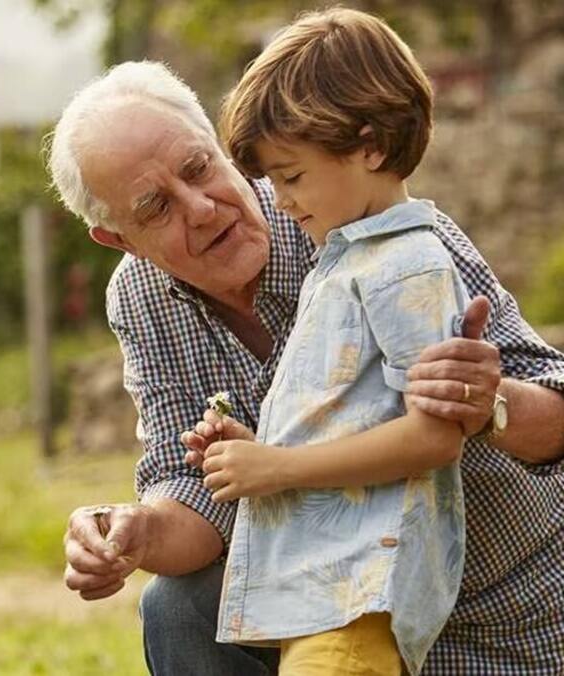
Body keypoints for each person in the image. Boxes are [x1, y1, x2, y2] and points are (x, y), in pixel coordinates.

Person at [48, 45, 564, 676]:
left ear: (216, 141)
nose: (202, 208)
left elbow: (555, 411)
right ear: (118, 238)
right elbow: (197, 491)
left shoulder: (365, 218)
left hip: (497, 604)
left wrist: (489, 404)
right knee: (179, 606)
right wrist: (134, 533)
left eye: (199, 167)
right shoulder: (141, 295)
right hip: (333, 603)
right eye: (156, 206)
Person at [179, 9, 468, 674]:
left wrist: (278, 470)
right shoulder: (347, 260)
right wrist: (257, 454)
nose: (279, 202)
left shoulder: (407, 264)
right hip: (321, 598)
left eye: (293, 176)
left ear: (368, 146)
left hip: (355, 601)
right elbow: (354, 418)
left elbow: (435, 436)